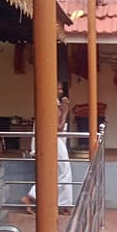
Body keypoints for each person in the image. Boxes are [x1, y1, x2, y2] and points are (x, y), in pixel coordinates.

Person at [21, 83, 74, 215]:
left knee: (56, 171)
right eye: (59, 89)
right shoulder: (51, 103)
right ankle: (61, 203)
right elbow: (58, 127)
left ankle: (61, 203)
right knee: (63, 172)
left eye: (61, 89)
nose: (61, 91)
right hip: (54, 141)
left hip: (52, 140)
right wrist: (66, 109)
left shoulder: (49, 102)